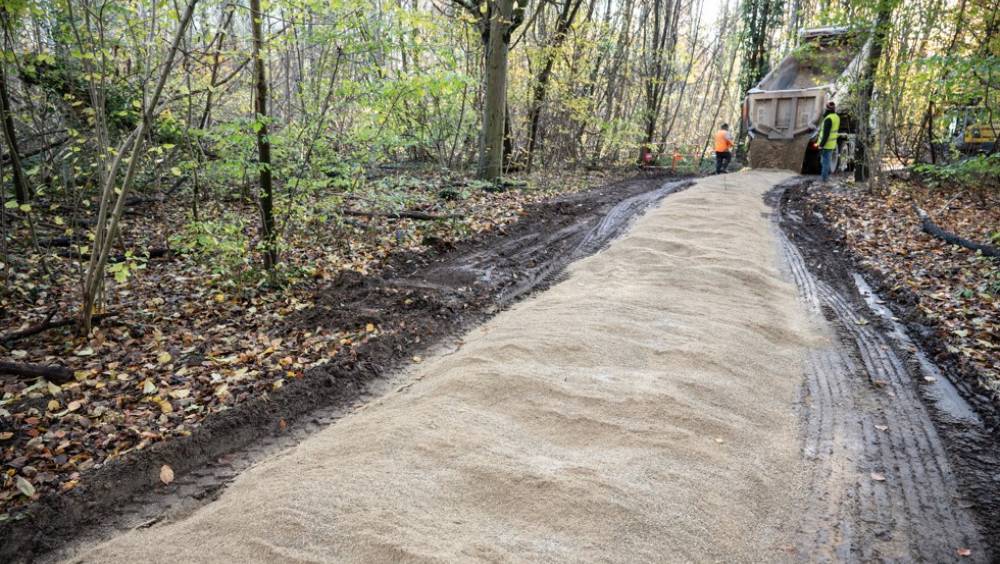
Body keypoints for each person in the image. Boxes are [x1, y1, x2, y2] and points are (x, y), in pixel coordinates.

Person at [818, 101, 840, 182]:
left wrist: (821, 145)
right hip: (831, 144)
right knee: (824, 161)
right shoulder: (836, 117)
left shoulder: (828, 119)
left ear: (827, 109)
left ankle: (824, 180)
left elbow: (826, 134)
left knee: (825, 162)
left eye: (826, 108)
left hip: (826, 144)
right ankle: (825, 178)